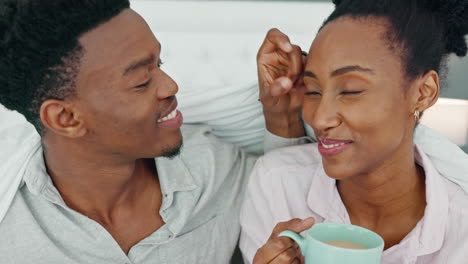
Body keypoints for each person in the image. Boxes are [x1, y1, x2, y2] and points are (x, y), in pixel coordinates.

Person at [0, 1, 308, 263]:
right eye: (141, 82)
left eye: (160, 63)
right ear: (65, 117)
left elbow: (284, 190)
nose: (171, 85)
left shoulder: (216, 170)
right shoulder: (11, 232)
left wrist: (281, 113)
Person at [240, 0, 468, 263]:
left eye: (350, 90)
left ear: (423, 92)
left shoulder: (460, 232)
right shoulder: (278, 185)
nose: (320, 118)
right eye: (313, 90)